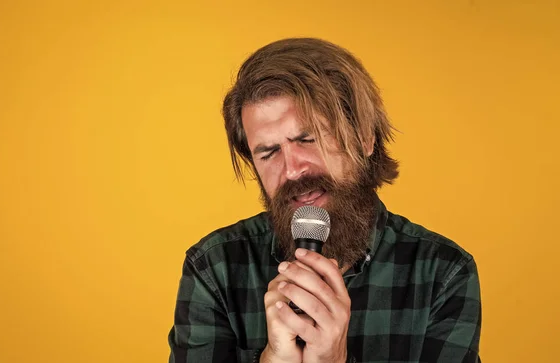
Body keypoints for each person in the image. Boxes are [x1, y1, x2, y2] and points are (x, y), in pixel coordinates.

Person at [168, 38, 481, 363]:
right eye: (268, 152)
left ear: (364, 138)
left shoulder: (443, 274)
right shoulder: (213, 268)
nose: (291, 170)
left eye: (308, 138)